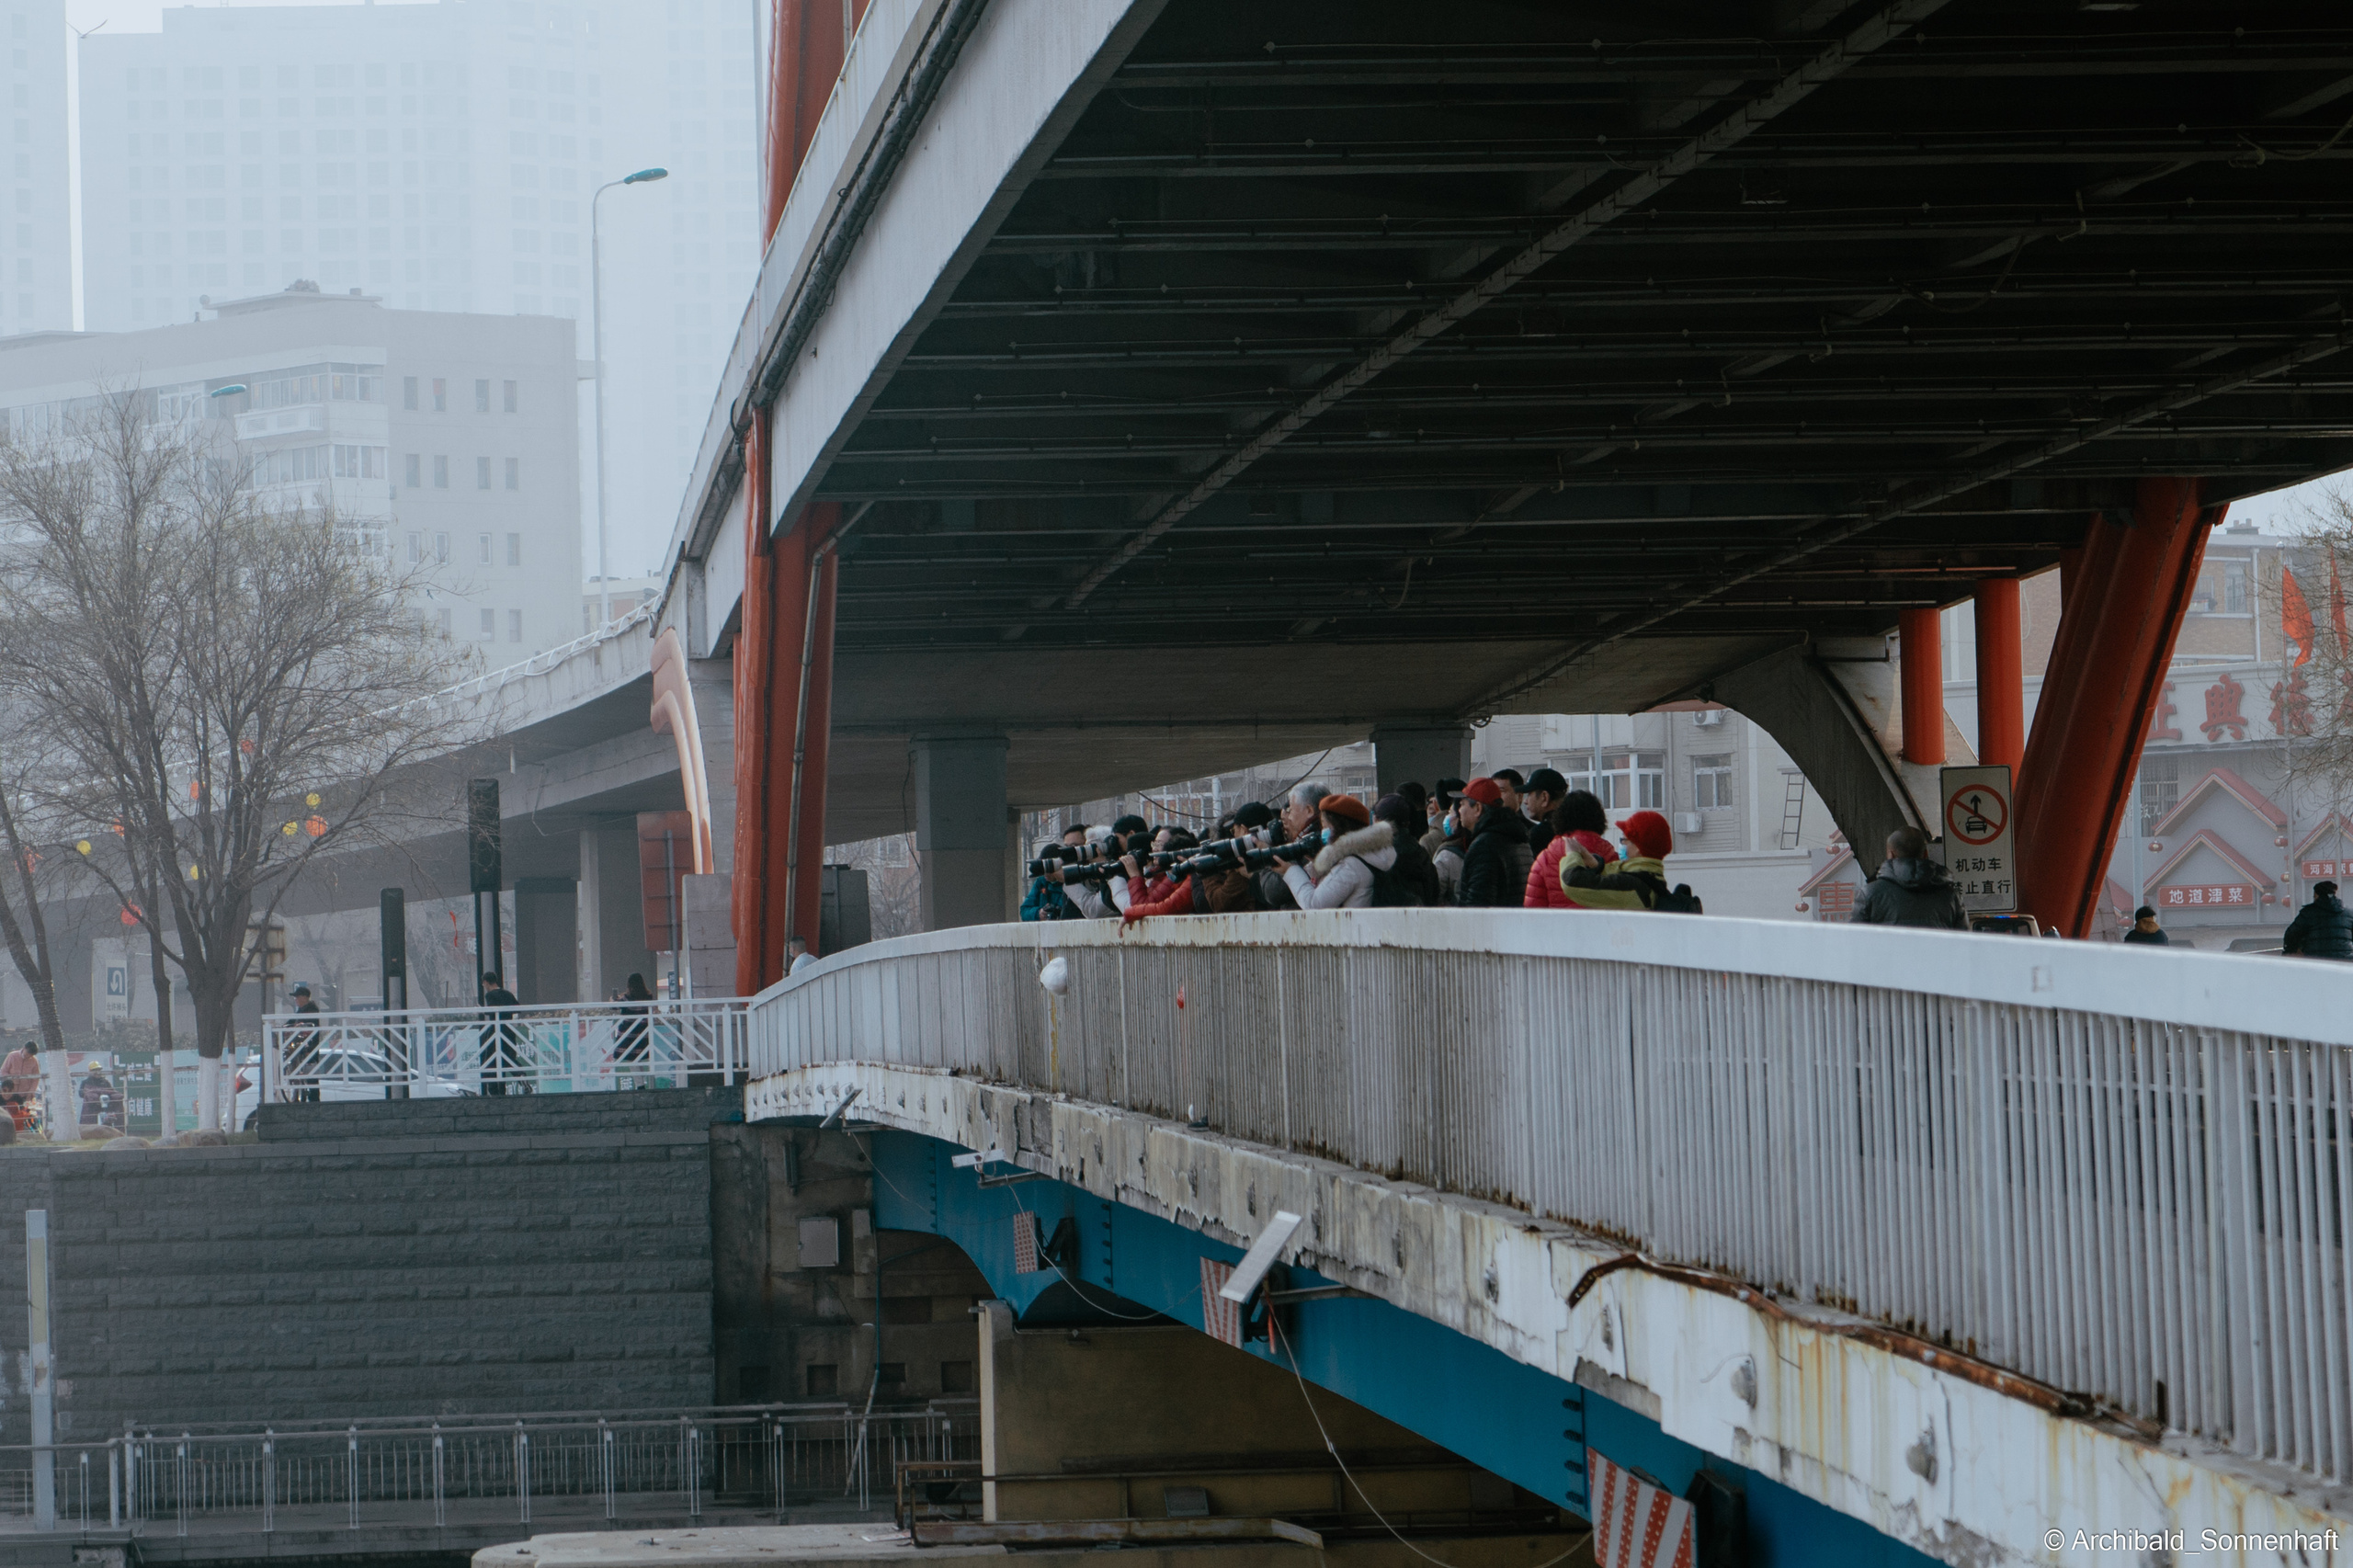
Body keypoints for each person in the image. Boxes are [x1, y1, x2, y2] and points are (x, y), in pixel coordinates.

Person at [1558, 811, 1701, 912]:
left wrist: (1572, 854)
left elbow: (1572, 883)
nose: (1622, 844)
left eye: (1624, 840)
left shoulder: (1633, 886)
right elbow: (1615, 876)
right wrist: (1593, 862)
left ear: (1639, 848)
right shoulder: (1651, 877)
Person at [1279, 794, 1399, 910]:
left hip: (1353, 929)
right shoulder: (1374, 854)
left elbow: (1314, 904)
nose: (1322, 831)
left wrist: (1291, 871)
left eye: (1325, 825)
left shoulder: (1350, 866)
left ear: (1338, 827)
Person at [1850, 826, 1967, 929]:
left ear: (1891, 854)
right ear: (1925, 854)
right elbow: (1964, 943)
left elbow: (1855, 943)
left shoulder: (1869, 894)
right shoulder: (1951, 896)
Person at [1455, 778, 1534, 908]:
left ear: (1478, 808)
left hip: (1495, 927)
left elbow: (1478, 906)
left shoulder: (1484, 846)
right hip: (1515, 924)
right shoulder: (1519, 837)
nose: (1459, 810)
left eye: (1462, 804)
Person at [1524, 789, 1610, 907]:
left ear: (1560, 817)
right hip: (1601, 925)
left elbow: (1533, 910)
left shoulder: (1545, 858)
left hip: (1557, 925)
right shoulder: (1610, 855)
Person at [1374, 794, 1440, 905]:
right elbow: (1435, 891)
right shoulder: (1421, 853)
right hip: (1423, 917)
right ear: (1407, 823)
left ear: (1377, 821)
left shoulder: (1382, 857)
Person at [479, 971, 527, 1095]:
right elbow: (517, 1008)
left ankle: (495, 1091)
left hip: (495, 1031)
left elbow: (492, 1011)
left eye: (483, 984)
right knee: (508, 1058)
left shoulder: (490, 996)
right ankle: (521, 1075)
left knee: (490, 1061)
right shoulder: (507, 993)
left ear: (486, 982)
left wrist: (482, 1010)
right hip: (508, 1030)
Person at [2283, 881, 2353, 960]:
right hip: (2345, 962)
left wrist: (2291, 951)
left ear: (2317, 895)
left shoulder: (2308, 913)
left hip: (2317, 962)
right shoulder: (2349, 914)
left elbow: (2292, 935)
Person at [285, 982, 324, 1102]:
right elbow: (290, 1022)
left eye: (297, 997)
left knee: (311, 1077)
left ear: (304, 997)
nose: (295, 999)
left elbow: (309, 1027)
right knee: (302, 1073)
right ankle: (302, 1097)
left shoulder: (311, 1010)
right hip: (301, 1048)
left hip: (310, 1048)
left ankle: (314, 1101)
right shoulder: (301, 1010)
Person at [615, 971, 655, 1085]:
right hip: (643, 1032)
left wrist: (612, 1000)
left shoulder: (626, 998)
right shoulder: (648, 997)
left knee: (632, 1060)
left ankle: (640, 1085)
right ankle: (641, 1083)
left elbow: (614, 1006)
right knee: (638, 1059)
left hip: (628, 1034)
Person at [1521, 768, 1568, 855]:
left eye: (1529, 794)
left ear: (1544, 797)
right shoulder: (1575, 828)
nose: (1525, 801)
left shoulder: (1539, 835)